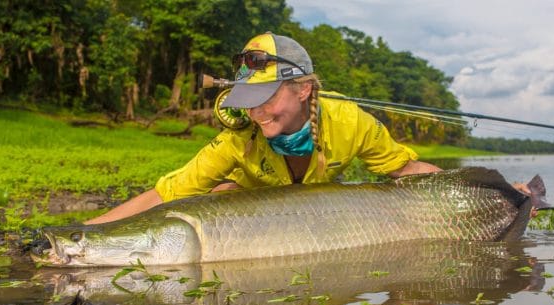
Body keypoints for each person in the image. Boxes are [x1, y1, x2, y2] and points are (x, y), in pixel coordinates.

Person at [84, 32, 440, 225]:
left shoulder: (351, 121)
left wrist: (464, 192)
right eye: (249, 99)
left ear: (303, 89)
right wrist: (88, 232)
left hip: (320, 216)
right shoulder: (236, 140)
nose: (257, 112)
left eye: (266, 96)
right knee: (220, 193)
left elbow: (405, 170)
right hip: (253, 222)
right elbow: (167, 193)